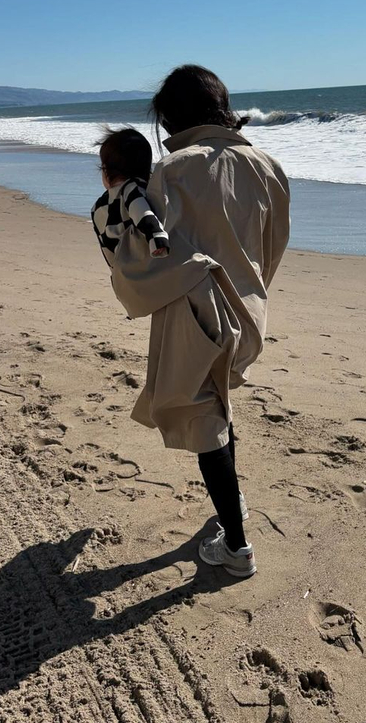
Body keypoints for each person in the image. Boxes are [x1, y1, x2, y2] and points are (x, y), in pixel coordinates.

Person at [95, 65, 290, 578]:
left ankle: (238, 548)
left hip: (197, 309)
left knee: (204, 421)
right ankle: (236, 506)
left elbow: (147, 254)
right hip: (251, 308)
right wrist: (252, 291)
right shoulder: (267, 165)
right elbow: (273, 247)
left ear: (172, 117)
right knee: (220, 406)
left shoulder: (174, 169)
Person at [91, 128, 170, 264]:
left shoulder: (99, 205)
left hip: (121, 274)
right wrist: (156, 235)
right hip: (144, 265)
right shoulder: (132, 188)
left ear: (106, 170)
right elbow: (141, 210)